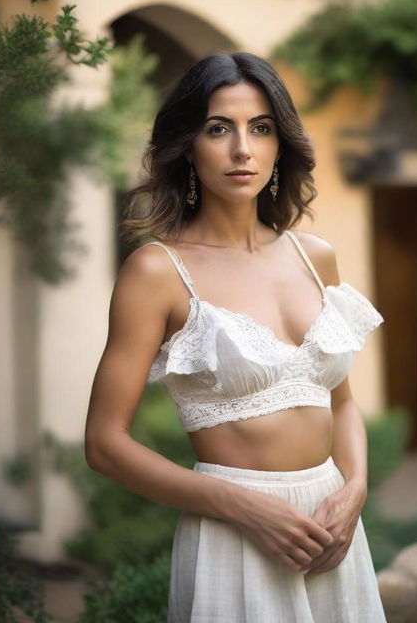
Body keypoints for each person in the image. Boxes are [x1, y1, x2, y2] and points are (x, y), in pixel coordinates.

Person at [85, 52, 387, 622]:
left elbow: (341, 402)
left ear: (281, 145)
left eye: (261, 128)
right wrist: (243, 508)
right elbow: (104, 443)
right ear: (188, 146)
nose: (242, 149)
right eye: (219, 128)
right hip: (234, 535)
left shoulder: (314, 256)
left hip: (331, 531)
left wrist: (357, 489)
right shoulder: (158, 272)